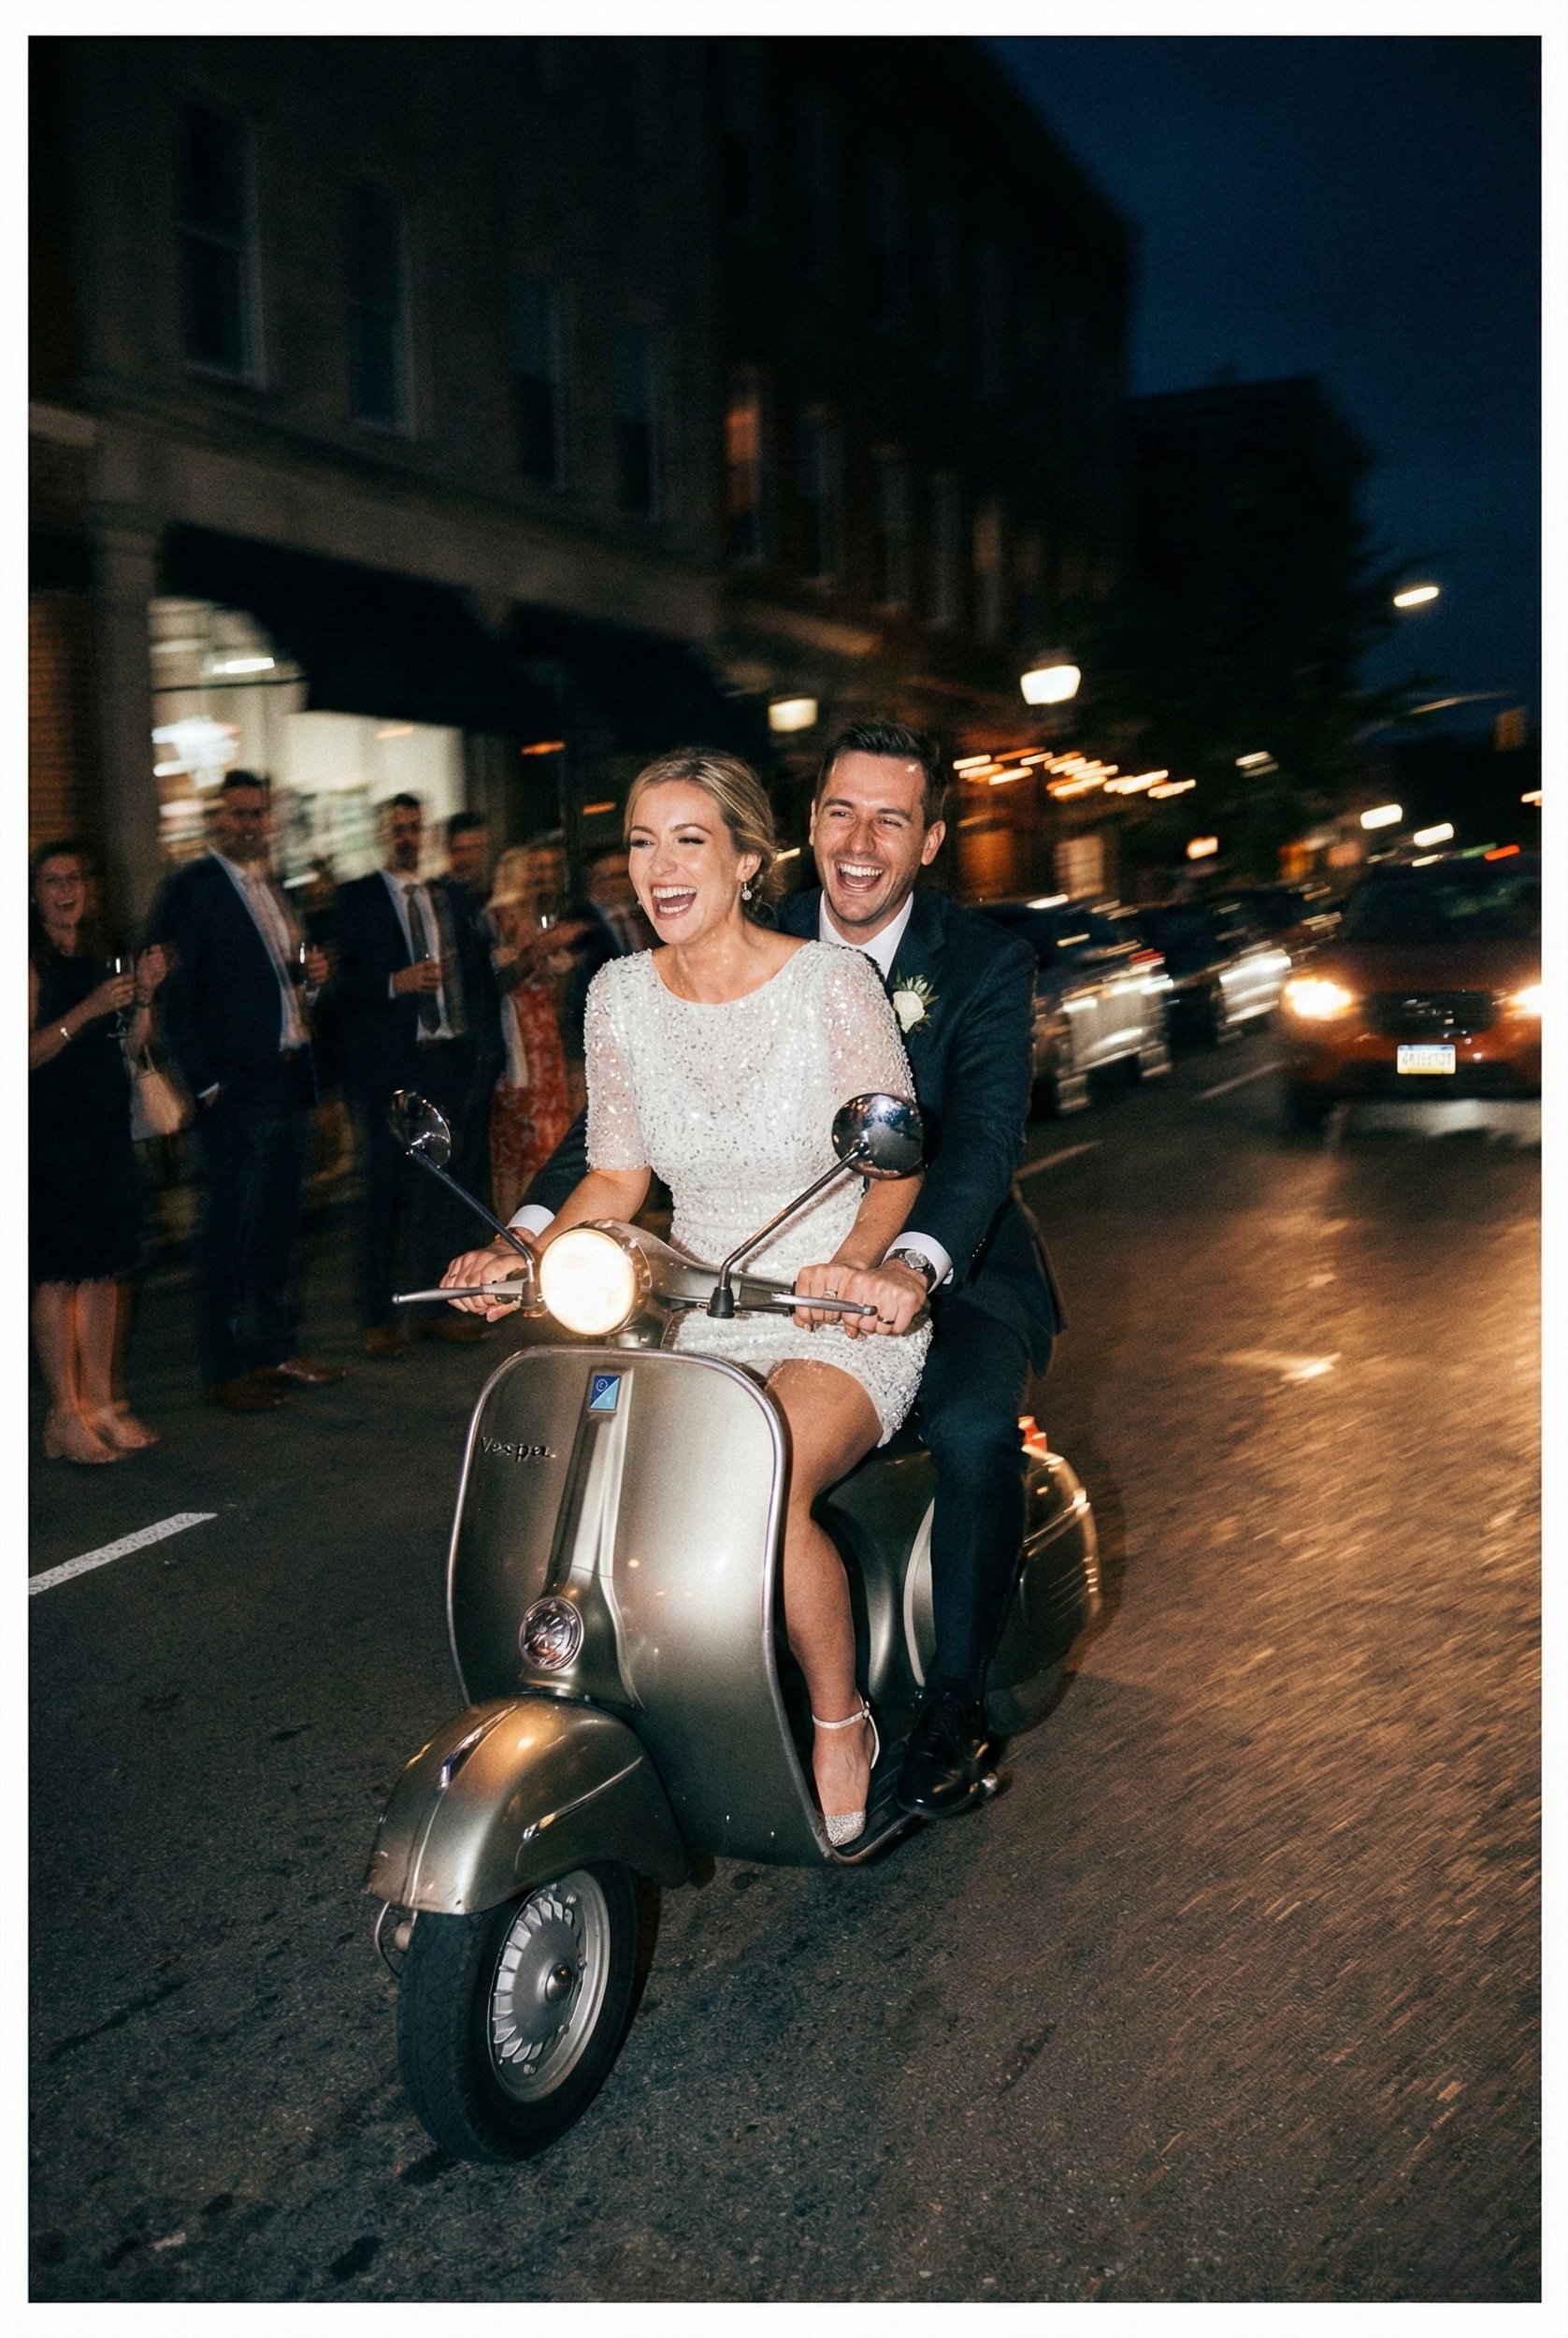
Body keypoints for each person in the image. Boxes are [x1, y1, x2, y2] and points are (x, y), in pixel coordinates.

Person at [467, 721, 1064, 1819]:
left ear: (930, 840)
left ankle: (939, 1711)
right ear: (801, 830)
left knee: (970, 1429)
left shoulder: (963, 966)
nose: (861, 840)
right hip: (716, 1291)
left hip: (923, 1264)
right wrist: (521, 1243)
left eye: (891, 818)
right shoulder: (676, 958)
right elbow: (612, 1151)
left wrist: (890, 1266)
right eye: (842, 811)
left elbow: (969, 1146)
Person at [151, 772, 341, 1412]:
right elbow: (176, 1000)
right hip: (233, 1085)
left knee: (280, 1223)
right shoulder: (192, 890)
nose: (250, 824)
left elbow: (281, 982)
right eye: (238, 814)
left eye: (259, 813)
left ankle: (275, 1349)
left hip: (287, 1074)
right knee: (229, 1227)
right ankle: (226, 1367)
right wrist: (204, 1084)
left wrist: (313, 975)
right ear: (216, 817)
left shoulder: (271, 885)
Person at [329, 792, 497, 1354]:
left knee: (441, 1191)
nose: (407, 836)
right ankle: (377, 1316)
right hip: (388, 1067)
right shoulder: (356, 899)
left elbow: (476, 975)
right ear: (382, 833)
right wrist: (392, 984)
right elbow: (334, 984)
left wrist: (478, 1048)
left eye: (414, 827)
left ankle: (435, 1305)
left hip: (446, 1057)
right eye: (397, 828)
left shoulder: (446, 895)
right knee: (382, 1192)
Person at [29, 839, 168, 1461]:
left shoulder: (95, 954)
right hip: (49, 1134)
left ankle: (105, 1404)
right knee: (59, 1273)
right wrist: (87, 1008)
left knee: (106, 1269)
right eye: (53, 880)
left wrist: (145, 995)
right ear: (33, 894)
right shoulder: (29, 962)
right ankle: (64, 1414)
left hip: (103, 1126)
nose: (66, 890)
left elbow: (129, 1042)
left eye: (75, 878)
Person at [485, 843, 578, 1223]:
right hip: (518, 1035)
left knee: (548, 1136)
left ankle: (541, 1224)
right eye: (531, 870)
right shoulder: (501, 917)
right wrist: (540, 952)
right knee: (519, 1138)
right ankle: (515, 1230)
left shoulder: (541, 914)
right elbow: (500, 976)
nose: (538, 877)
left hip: (545, 1031)